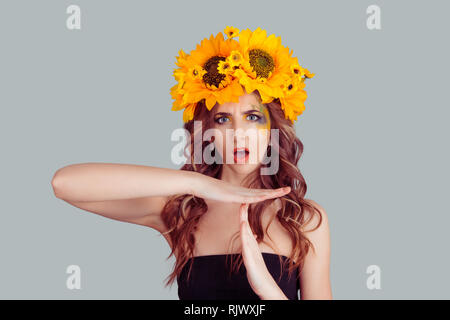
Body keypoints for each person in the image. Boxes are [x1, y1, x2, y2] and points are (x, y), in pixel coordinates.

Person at [51, 26, 332, 300]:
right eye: (223, 120)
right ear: (207, 133)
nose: (238, 134)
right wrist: (195, 182)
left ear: (274, 128)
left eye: (253, 117)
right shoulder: (182, 211)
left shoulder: (304, 220)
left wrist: (268, 290)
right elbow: (64, 184)